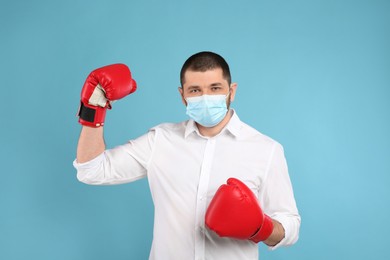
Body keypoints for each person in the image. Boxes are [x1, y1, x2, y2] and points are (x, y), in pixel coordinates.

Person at [73, 51, 301, 260]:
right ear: (182, 96)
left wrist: (261, 227)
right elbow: (91, 171)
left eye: (215, 88)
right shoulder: (160, 140)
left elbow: (290, 227)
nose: (205, 97)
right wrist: (95, 106)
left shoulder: (265, 149)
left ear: (231, 91)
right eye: (195, 90)